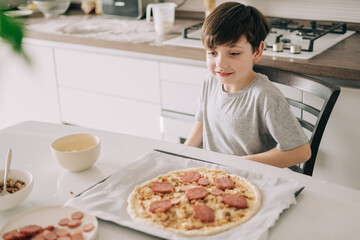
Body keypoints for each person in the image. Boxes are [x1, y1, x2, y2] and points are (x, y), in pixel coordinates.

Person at [184, 2, 311, 168]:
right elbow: (202, 124)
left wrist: (239, 164)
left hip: (250, 180)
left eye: (234, 53)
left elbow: (301, 152)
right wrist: (183, 154)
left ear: (257, 51)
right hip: (214, 175)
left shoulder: (264, 95)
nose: (220, 64)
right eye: (212, 53)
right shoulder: (210, 81)